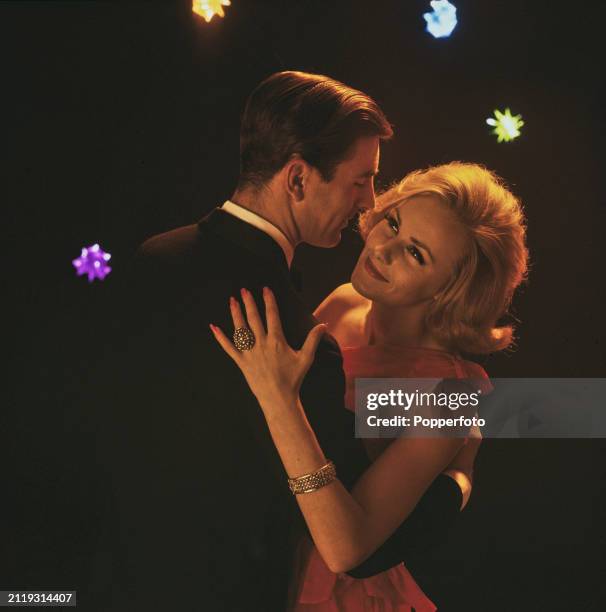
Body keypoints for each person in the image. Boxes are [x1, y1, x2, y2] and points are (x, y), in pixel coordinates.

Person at [89, 72, 475, 612]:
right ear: (297, 179)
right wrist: (456, 485)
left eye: (416, 252)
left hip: (118, 577)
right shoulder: (301, 337)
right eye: (361, 181)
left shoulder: (157, 255)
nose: (368, 205)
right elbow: (350, 547)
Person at [210, 162, 529, 610]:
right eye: (393, 224)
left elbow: (346, 549)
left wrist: (277, 397)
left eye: (417, 254)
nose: (384, 250)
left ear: (452, 291)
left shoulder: (452, 398)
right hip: (267, 560)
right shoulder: (343, 302)